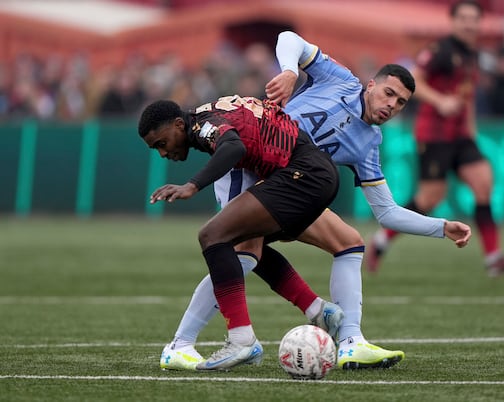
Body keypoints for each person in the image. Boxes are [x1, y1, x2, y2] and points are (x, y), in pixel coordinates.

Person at [159, 30, 472, 372]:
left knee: (349, 243)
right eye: (388, 93)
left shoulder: (368, 144)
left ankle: (351, 342)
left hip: (293, 183)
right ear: (370, 85)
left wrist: (440, 227)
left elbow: (387, 213)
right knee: (244, 252)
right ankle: (181, 345)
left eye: (400, 103)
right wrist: (291, 71)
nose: (391, 105)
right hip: (248, 166)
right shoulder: (340, 81)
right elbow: (288, 38)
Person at [138, 96, 345, 370]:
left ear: (179, 124)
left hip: (303, 175)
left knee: (212, 236)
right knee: (244, 245)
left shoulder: (203, 125)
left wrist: (192, 185)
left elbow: (233, 146)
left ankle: (240, 339)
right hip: (316, 175)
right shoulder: (211, 114)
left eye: (162, 144)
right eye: (156, 150)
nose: (163, 153)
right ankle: (318, 310)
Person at [367, 0, 504, 277]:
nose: (469, 24)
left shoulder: (472, 54)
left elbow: (465, 99)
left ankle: (493, 259)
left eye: (473, 19)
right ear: (453, 21)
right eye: (463, 18)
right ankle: (381, 241)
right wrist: (441, 101)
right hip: (434, 134)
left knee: (483, 183)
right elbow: (414, 81)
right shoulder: (440, 50)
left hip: (461, 135)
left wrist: (471, 131)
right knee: (430, 199)